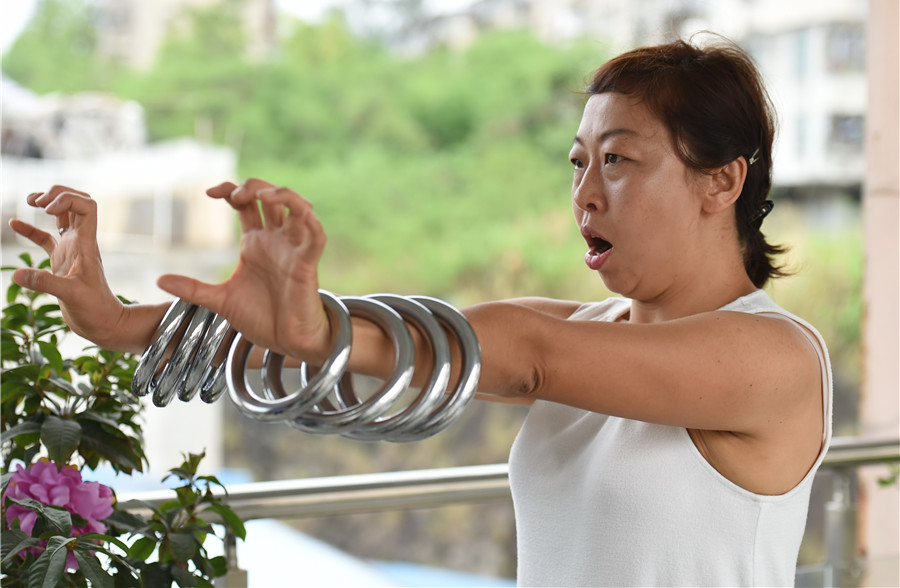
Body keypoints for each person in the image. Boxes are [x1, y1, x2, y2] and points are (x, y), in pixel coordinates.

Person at [10, 37, 832, 586]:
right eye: (579, 162)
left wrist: (313, 327)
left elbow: (522, 352)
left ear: (721, 181)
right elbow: (375, 345)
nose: (584, 193)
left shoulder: (774, 358)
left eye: (618, 161)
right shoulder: (587, 337)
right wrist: (123, 323)